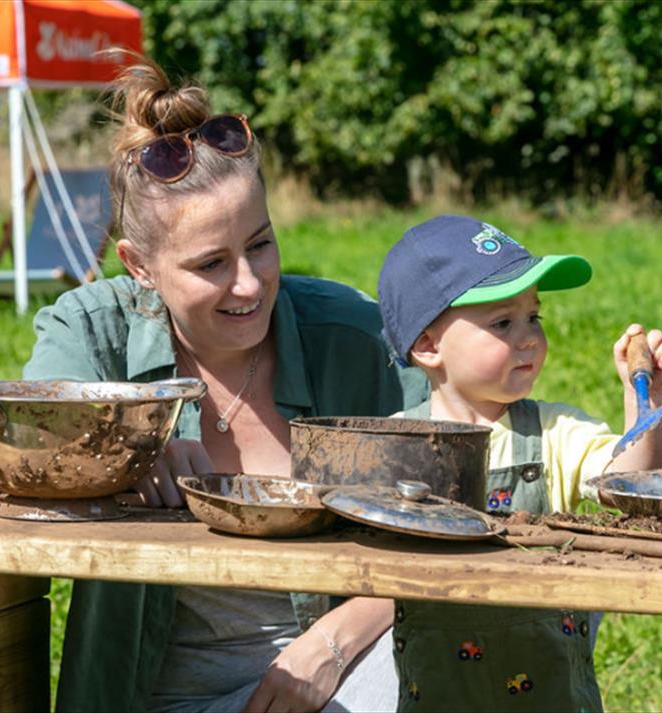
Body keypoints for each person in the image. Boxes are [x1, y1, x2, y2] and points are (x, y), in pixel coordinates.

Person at [22, 56, 426, 713]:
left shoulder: (351, 338)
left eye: (261, 244)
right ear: (139, 266)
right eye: (211, 262)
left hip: (342, 672)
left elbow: (456, 505)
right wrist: (130, 450)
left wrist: (332, 639)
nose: (249, 283)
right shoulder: (92, 328)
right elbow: (32, 439)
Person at [376, 215, 662, 711]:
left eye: (533, 317)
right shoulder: (395, 444)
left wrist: (641, 400)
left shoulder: (553, 433)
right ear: (429, 346)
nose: (529, 338)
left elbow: (633, 483)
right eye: (503, 322)